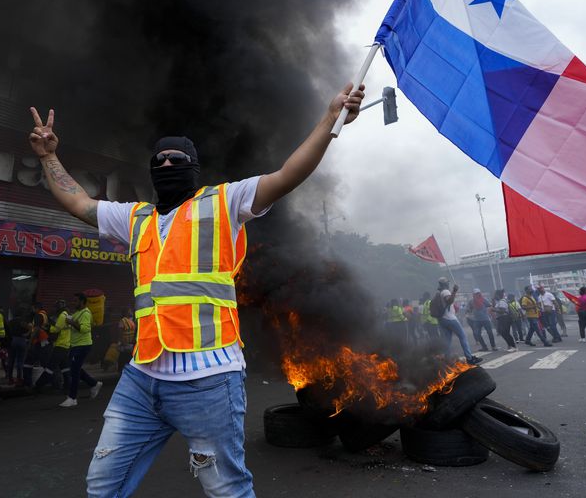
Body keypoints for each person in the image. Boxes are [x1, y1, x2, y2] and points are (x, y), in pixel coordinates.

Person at [28, 80, 365, 496]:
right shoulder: (134, 218)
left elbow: (288, 174)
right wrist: (48, 156)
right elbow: (78, 201)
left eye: (177, 159)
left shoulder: (225, 202)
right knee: (102, 484)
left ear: (193, 166)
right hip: (141, 378)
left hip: (208, 379)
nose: (167, 165)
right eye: (160, 160)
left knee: (226, 490)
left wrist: (330, 119)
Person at [60, 293, 102, 407]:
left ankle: (72, 398)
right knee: (75, 368)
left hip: (82, 345)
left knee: (74, 371)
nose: (74, 303)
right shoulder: (77, 313)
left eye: (76, 301)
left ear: (83, 302)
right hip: (75, 345)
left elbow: (84, 329)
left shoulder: (86, 313)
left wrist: (71, 322)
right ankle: (94, 384)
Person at [435, 279, 483, 365]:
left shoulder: (439, 293)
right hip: (450, 318)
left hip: (442, 319)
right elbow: (449, 300)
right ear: (445, 284)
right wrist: (454, 291)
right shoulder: (445, 291)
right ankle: (469, 358)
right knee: (463, 337)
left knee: (448, 341)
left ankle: (446, 360)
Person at [34, 298, 72, 391]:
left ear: (59, 307)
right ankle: (67, 386)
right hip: (66, 345)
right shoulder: (68, 315)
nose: (54, 309)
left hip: (60, 345)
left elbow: (56, 329)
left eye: (55, 307)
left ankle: (37, 386)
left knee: (50, 367)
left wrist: (47, 327)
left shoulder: (62, 316)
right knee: (65, 368)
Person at [24, 301, 50, 387]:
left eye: (33, 308)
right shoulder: (44, 314)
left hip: (39, 342)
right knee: (45, 363)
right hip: (44, 341)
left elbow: (37, 329)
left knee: (28, 362)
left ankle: (28, 383)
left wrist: (30, 343)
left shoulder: (38, 315)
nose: (32, 310)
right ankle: (46, 382)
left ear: (36, 308)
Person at [6, 310, 30, 386]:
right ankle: (19, 379)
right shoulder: (23, 321)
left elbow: (7, 331)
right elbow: (30, 329)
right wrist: (27, 334)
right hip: (21, 340)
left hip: (11, 340)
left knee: (10, 360)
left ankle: (10, 379)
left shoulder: (10, 322)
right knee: (20, 361)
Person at [117, 307, 136, 372]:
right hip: (124, 343)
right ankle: (120, 369)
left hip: (130, 343)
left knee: (127, 356)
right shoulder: (123, 321)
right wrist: (122, 342)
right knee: (123, 356)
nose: (130, 312)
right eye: (129, 311)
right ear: (125, 313)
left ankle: (125, 369)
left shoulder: (131, 320)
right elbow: (120, 332)